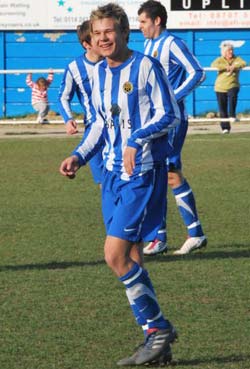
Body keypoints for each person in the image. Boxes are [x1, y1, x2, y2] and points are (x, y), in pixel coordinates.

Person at [60, 3, 180, 366]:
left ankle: (158, 329)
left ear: (124, 33)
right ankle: (156, 343)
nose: (103, 38)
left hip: (141, 172)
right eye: (97, 34)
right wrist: (79, 156)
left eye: (109, 32)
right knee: (129, 257)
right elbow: (97, 124)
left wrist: (136, 138)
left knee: (113, 255)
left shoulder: (146, 66)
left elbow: (169, 113)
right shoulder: (97, 75)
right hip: (111, 175)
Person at [138, 0, 207, 256]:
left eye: (143, 21)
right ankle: (161, 237)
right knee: (158, 174)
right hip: (157, 120)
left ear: (157, 20)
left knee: (169, 172)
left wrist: (171, 98)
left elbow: (197, 73)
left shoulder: (172, 43)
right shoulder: (148, 45)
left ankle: (194, 233)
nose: (140, 27)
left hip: (173, 121)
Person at [58, 20, 104, 185]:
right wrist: (68, 119)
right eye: (96, 36)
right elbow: (63, 96)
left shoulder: (114, 62)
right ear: (86, 44)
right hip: (94, 128)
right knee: (103, 183)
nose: (102, 39)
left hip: (118, 129)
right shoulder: (74, 68)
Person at [211, 42, 246, 134]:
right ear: (224, 52)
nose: (230, 52)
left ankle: (232, 115)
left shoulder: (237, 59)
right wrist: (225, 67)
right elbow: (213, 65)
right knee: (222, 108)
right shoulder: (219, 60)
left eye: (231, 50)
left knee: (233, 96)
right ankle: (225, 128)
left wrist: (234, 66)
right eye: (228, 50)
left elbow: (243, 63)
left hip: (233, 85)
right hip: (220, 87)